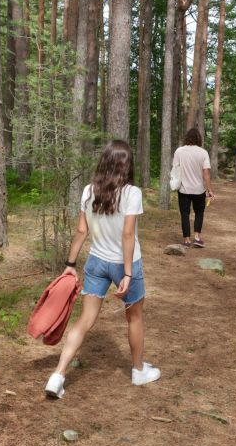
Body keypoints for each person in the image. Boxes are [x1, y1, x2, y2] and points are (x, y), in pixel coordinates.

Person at [44, 140, 160, 399]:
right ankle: (138, 370)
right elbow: (127, 234)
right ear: (127, 164)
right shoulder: (132, 193)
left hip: (96, 261)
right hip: (124, 264)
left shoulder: (88, 191)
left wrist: (70, 265)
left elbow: (81, 231)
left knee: (85, 321)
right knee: (135, 317)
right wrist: (128, 274)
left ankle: (58, 375)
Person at [172, 127, 215, 247]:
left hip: (183, 189)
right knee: (199, 212)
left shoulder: (179, 151)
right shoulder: (203, 152)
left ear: (187, 138)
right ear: (199, 139)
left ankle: (186, 240)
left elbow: (175, 169)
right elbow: (206, 173)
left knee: (184, 214)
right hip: (199, 189)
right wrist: (209, 190)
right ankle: (196, 237)